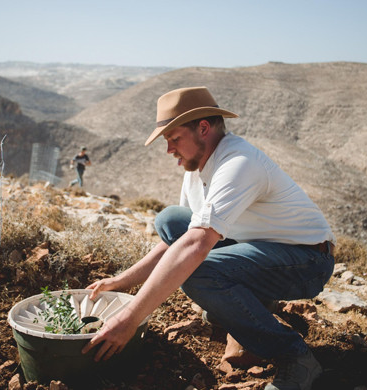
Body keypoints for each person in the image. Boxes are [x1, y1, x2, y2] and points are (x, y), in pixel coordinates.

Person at [82, 87, 335, 390]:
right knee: (172, 220)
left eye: (174, 138)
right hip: (261, 251)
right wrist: (121, 282)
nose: (169, 150)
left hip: (307, 261)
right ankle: (247, 301)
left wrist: (129, 319)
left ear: (203, 128)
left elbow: (194, 247)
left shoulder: (238, 163)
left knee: (198, 272)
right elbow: (178, 241)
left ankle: (295, 355)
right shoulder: (197, 168)